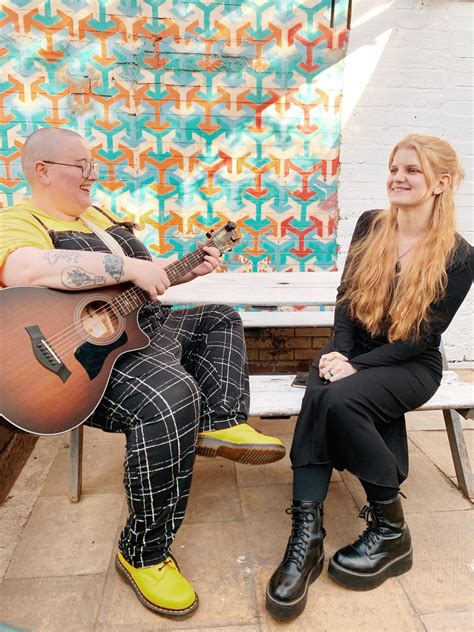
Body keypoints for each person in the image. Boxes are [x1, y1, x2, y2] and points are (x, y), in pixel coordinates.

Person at [0, 127, 286, 618]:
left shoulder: (100, 218)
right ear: (42, 170)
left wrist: (182, 270)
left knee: (219, 317)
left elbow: (138, 287)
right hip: (82, 362)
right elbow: (22, 270)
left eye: (93, 165)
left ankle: (220, 422)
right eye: (82, 165)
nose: (92, 175)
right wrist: (129, 268)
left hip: (142, 326)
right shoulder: (18, 220)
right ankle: (143, 553)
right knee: (172, 397)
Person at [265, 134, 473, 621]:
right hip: (352, 350)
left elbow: (422, 337)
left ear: (440, 183)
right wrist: (339, 352)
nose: (397, 177)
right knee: (321, 392)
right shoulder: (370, 225)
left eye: (412, 170)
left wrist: (357, 367)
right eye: (394, 168)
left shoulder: (460, 255)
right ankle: (307, 536)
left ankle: (390, 530)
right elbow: (345, 299)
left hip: (410, 363)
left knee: (339, 399)